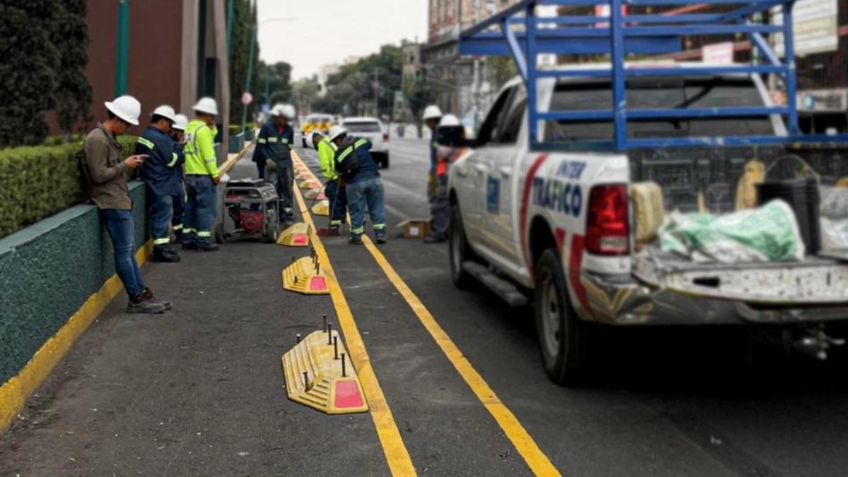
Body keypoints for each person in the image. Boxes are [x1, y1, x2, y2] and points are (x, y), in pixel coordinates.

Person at [83, 95, 171, 314]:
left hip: (118, 200)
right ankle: (136, 298)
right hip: (111, 202)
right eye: (129, 124)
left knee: (128, 252)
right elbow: (98, 175)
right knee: (124, 253)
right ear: (120, 120)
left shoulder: (106, 137)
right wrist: (125, 165)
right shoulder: (97, 139)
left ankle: (141, 293)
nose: (129, 128)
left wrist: (125, 165)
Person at [135, 105, 183, 262]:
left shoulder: (146, 135)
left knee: (160, 216)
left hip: (152, 180)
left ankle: (163, 247)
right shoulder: (160, 138)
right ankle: (161, 250)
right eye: (169, 124)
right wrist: (180, 151)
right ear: (162, 122)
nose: (170, 128)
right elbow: (171, 161)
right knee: (163, 217)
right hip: (161, 183)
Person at [331, 127, 386, 245]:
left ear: (338, 139)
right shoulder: (361, 141)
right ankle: (380, 234)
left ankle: (356, 236)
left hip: (355, 183)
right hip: (374, 179)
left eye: (334, 142)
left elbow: (339, 173)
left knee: (356, 209)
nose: (335, 144)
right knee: (377, 207)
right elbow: (369, 144)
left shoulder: (338, 154)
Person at [182, 97, 220, 252]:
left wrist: (213, 129)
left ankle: (188, 239)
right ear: (207, 114)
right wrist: (215, 174)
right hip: (203, 176)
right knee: (206, 209)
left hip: (190, 175)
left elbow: (206, 141)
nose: (213, 119)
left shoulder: (189, 128)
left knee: (190, 207)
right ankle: (203, 240)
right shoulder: (203, 130)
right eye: (212, 116)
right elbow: (208, 154)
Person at [426, 114, 467, 243]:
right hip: (453, 171)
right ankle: (448, 230)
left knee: (441, 203)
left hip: (447, 173)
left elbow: (441, 153)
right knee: (450, 204)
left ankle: (440, 232)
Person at [257, 104, 296, 224]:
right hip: (271, 165)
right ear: (279, 116)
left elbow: (289, 146)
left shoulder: (289, 130)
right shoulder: (267, 127)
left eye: (286, 120)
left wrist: (284, 158)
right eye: (282, 118)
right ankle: (270, 214)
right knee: (270, 189)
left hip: (286, 164)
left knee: (288, 190)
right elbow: (261, 145)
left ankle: (287, 215)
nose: (284, 122)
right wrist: (267, 159)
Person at [312, 129, 346, 231]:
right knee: (343, 198)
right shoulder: (328, 139)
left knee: (334, 200)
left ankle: (335, 224)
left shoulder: (322, 144)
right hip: (341, 174)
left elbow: (325, 164)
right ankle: (343, 218)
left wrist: (330, 176)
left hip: (334, 176)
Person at [168, 114, 189, 244]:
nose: (182, 135)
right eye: (181, 132)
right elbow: (173, 160)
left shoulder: (174, 142)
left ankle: (179, 233)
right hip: (171, 181)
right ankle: (178, 234)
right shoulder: (169, 143)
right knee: (176, 208)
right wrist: (181, 148)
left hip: (176, 179)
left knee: (179, 208)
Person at [421, 105, 443, 226]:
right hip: (435, 170)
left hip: (440, 171)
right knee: (433, 196)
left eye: (427, 121)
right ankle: (437, 222)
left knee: (438, 198)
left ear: (432, 120)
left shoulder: (440, 133)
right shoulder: (435, 132)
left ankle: (439, 225)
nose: (426, 124)